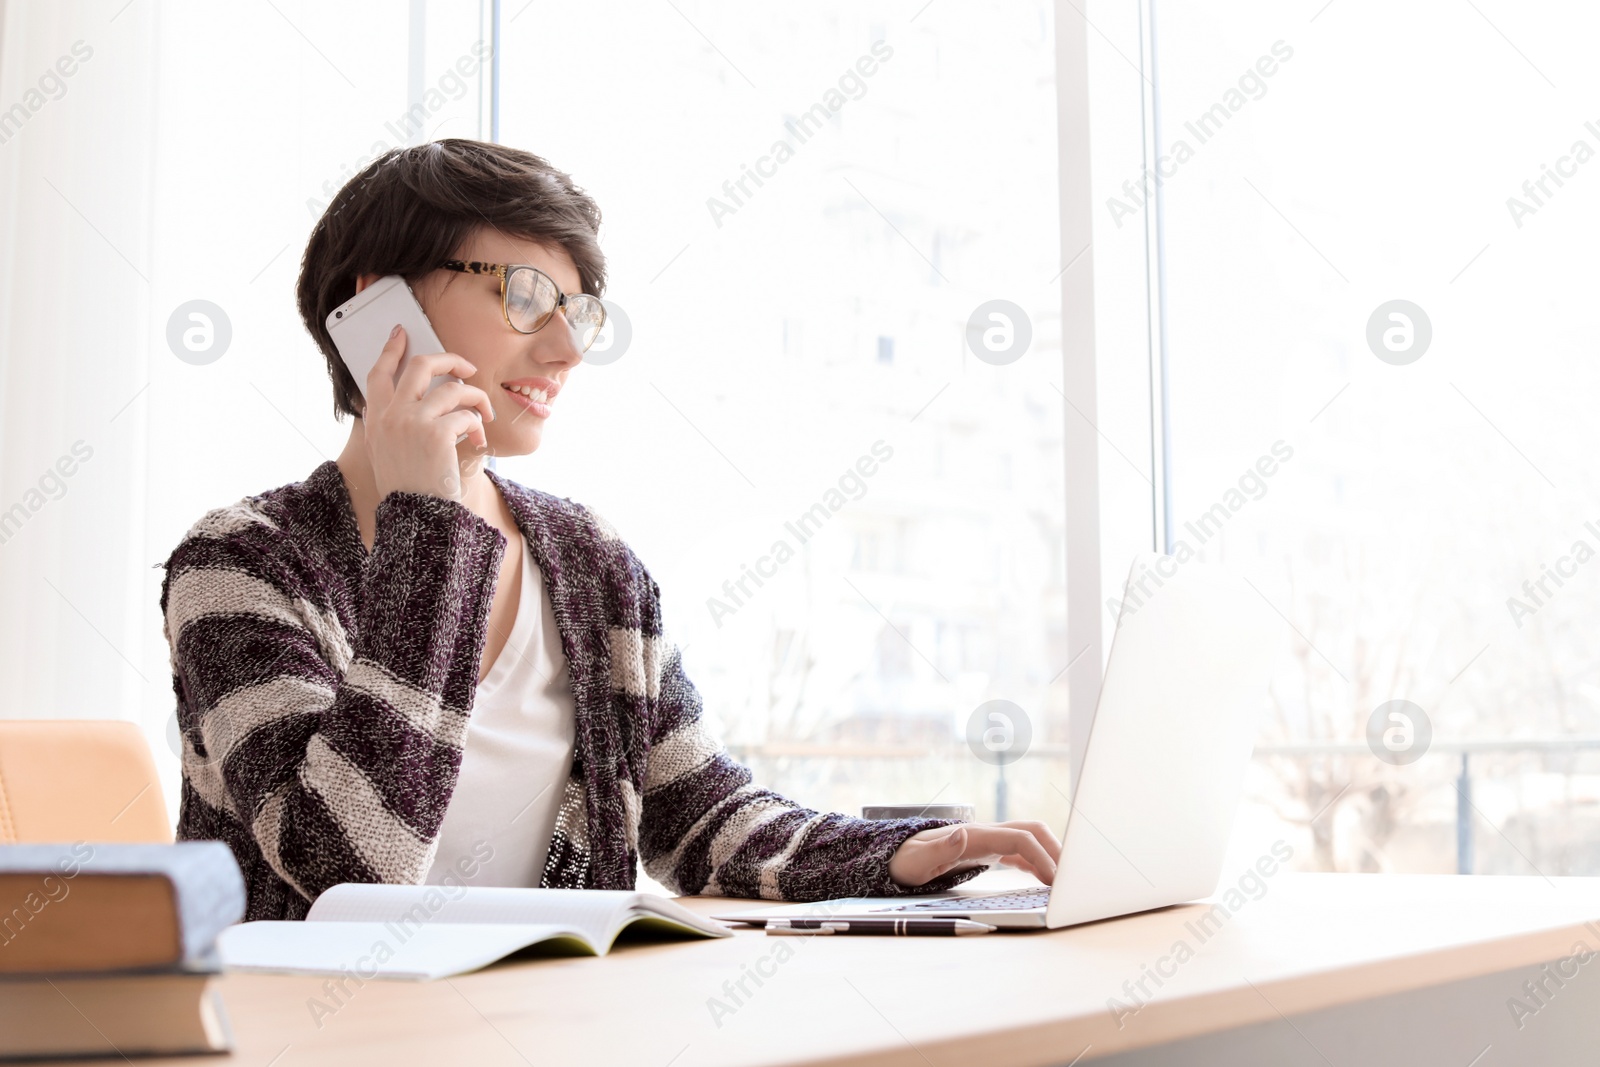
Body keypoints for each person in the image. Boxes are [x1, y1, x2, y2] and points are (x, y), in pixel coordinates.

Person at [161, 139, 1060, 921]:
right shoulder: (241, 566)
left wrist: (909, 854)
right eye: (524, 296)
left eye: (580, 312)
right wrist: (429, 527)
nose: (566, 349)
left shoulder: (593, 567)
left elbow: (704, 819)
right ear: (377, 308)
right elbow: (345, 869)